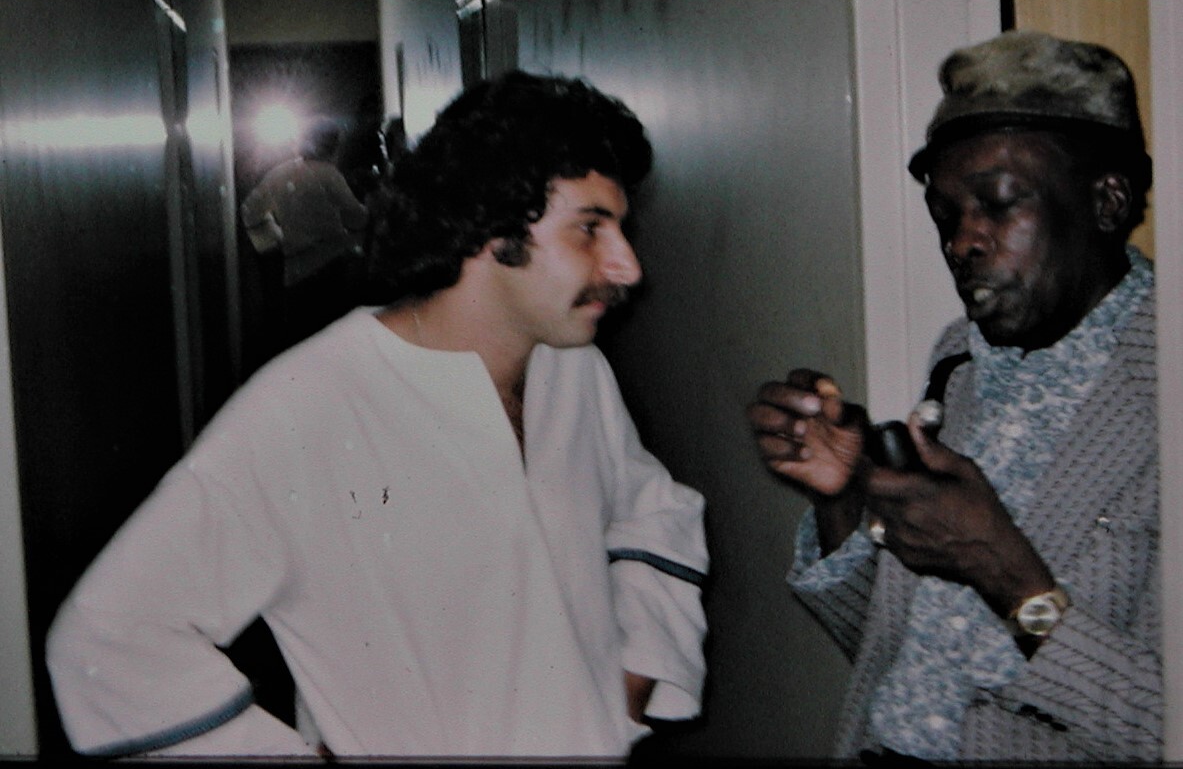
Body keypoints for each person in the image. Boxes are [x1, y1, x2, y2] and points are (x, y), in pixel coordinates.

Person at [47, 72, 708, 759]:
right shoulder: (310, 405)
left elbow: (653, 509)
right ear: (490, 225)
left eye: (619, 229)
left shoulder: (575, 371)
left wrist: (634, 677)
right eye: (590, 229)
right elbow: (107, 637)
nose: (626, 266)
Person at [748, 31, 1159, 763]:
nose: (962, 241)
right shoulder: (959, 362)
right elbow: (899, 659)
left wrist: (1008, 577)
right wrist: (842, 500)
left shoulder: (1179, 391)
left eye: (997, 204)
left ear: (1106, 200)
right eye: (945, 212)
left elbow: (1174, 727)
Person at [240, 117, 370, 351]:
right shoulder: (328, 174)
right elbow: (356, 218)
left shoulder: (280, 173)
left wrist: (274, 240)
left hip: (294, 272)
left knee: (301, 340)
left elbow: (250, 210)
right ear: (333, 145)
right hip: (332, 269)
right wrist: (371, 208)